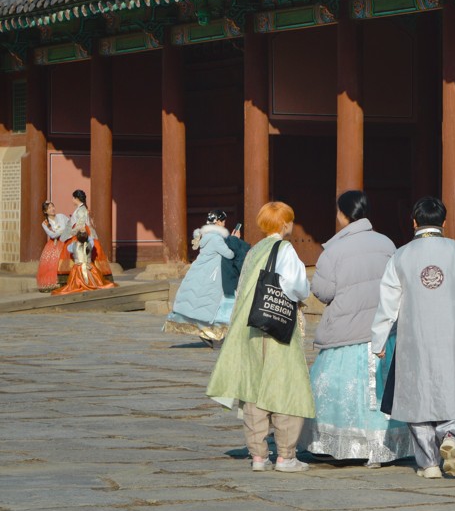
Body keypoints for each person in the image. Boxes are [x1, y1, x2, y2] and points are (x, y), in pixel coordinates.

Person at [371, 196, 455, 479]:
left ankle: (428, 463)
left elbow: (388, 302)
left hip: (413, 338)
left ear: (414, 222)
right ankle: (451, 436)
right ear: (444, 222)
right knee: (453, 389)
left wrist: (379, 340)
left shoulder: (401, 255)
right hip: (454, 335)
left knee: (417, 397)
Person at [300, 190, 412, 467]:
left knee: (338, 391)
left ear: (342, 215)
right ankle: (384, 445)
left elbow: (324, 291)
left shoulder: (334, 249)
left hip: (345, 332)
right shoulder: (387, 243)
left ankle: (334, 443)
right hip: (382, 332)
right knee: (382, 391)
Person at [205, 201, 314, 473]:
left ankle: (258, 456)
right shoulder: (285, 249)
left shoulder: (255, 250)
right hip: (277, 327)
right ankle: (286, 455)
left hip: (251, 326)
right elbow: (295, 286)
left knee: (254, 389)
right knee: (284, 385)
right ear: (285, 223)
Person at [163, 210, 249, 347]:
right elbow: (229, 254)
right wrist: (235, 239)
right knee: (216, 305)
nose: (224, 224)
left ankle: (208, 333)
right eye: (224, 221)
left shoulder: (207, 236)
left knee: (203, 304)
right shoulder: (216, 238)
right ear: (219, 221)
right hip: (212, 276)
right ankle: (212, 334)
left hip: (202, 273)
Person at [58, 189, 114, 285]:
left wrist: (70, 233)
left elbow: (80, 224)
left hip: (81, 233)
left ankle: (83, 280)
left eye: (73, 198)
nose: (72, 200)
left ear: (76, 198)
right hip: (81, 231)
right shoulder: (81, 209)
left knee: (82, 255)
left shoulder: (81, 209)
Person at [51, 230, 117, 295]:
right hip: (89, 265)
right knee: (95, 279)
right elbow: (91, 241)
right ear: (87, 237)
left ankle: (79, 286)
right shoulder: (90, 244)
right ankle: (91, 284)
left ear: (77, 237)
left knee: (75, 281)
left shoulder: (73, 245)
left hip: (78, 267)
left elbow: (68, 248)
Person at [37, 201, 68, 292]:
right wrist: (62, 231)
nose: (52, 209)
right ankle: (56, 283)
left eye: (53, 206)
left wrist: (63, 231)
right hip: (54, 244)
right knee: (53, 263)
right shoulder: (45, 223)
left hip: (66, 242)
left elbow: (70, 225)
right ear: (45, 211)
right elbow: (52, 235)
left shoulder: (61, 216)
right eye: (49, 208)